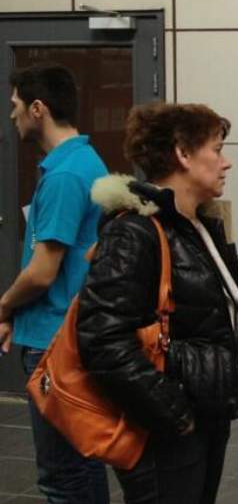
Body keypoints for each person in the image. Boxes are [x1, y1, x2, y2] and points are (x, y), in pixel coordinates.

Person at [78, 102, 238, 504]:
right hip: (166, 427)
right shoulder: (134, 232)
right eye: (217, 149)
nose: (226, 162)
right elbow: (102, 339)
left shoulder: (197, 226)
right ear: (183, 154)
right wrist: (172, 413)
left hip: (203, 413)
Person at [1, 64, 110, 503]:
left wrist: (4, 306)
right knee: (80, 463)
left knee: (64, 477)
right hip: (63, 335)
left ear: (38, 109)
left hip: (56, 344)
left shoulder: (66, 175)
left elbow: (43, 271)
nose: (12, 115)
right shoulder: (82, 162)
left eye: (16, 105)